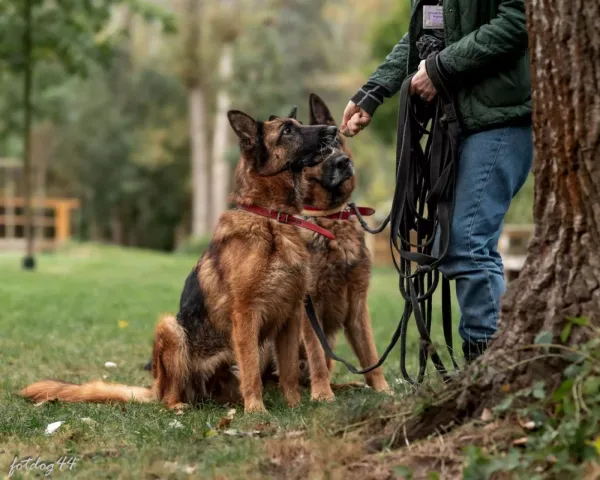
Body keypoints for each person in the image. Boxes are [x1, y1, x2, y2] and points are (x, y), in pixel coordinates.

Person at [341, 0, 533, 362]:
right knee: (454, 242)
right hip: (462, 122)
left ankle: (492, 366)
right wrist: (373, 92)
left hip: (503, 118)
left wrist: (440, 68)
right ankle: (487, 365)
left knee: (467, 242)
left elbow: (519, 21)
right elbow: (424, 34)